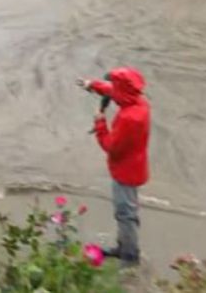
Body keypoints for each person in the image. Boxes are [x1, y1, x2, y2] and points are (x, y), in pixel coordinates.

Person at [77, 67, 150, 266]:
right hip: (135, 167)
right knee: (127, 210)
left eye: (116, 86)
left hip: (125, 172)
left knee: (125, 213)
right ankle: (124, 246)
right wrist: (92, 85)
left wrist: (100, 123)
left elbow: (110, 146)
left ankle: (129, 256)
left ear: (123, 90)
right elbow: (113, 91)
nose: (113, 90)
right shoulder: (139, 104)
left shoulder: (129, 119)